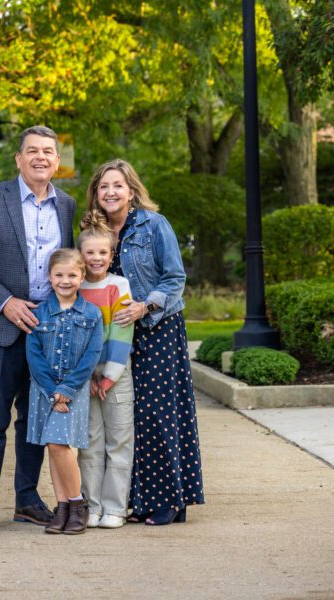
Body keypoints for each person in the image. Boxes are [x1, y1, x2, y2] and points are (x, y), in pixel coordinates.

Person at [0, 125, 76, 534]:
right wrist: (6, 303)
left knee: (34, 420)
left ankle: (27, 500)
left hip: (47, 334)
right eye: (32, 151)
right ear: (19, 159)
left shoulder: (68, 207)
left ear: (57, 162)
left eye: (48, 151)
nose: (40, 157)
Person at [85, 158, 204, 526]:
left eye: (118, 185)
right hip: (115, 337)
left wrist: (144, 306)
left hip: (157, 329)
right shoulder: (96, 231)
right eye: (104, 186)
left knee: (156, 413)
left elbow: (174, 278)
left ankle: (169, 501)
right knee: (127, 418)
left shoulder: (154, 225)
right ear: (96, 193)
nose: (110, 192)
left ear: (132, 191)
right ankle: (135, 499)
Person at [25, 248, 103, 534]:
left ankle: (77, 503)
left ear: (82, 277)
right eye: (59, 275)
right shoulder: (39, 313)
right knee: (53, 448)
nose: (65, 280)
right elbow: (34, 356)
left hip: (75, 389)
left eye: (72, 275)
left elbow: (92, 355)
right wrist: (51, 391)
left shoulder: (91, 314)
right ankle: (62, 509)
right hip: (44, 390)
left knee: (60, 445)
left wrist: (67, 390)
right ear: (49, 277)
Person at [76, 224, 135, 529]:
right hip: (84, 380)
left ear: (112, 255)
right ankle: (92, 505)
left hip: (115, 375)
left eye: (103, 252)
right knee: (89, 443)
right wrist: (83, 377)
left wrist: (109, 376)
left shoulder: (119, 286)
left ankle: (115, 507)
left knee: (119, 442)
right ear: (80, 255)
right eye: (90, 252)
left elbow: (122, 332)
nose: (96, 258)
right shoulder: (75, 287)